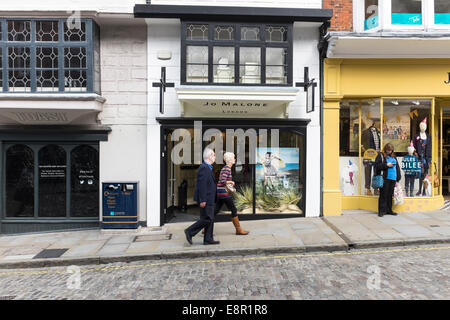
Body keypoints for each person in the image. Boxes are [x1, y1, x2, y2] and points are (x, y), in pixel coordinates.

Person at [184, 148, 220, 245]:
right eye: (214, 155)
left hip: (209, 198)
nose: (215, 157)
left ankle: (208, 238)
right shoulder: (204, 167)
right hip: (206, 198)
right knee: (208, 218)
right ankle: (190, 231)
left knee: (210, 218)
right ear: (210, 156)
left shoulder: (208, 167)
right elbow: (202, 185)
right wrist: (203, 199)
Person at [215, 152, 249, 235]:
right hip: (224, 193)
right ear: (230, 160)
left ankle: (206, 228)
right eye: (234, 158)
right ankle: (238, 230)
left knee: (215, 211)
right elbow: (223, 181)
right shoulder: (227, 169)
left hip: (220, 192)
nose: (235, 159)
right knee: (233, 209)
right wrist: (231, 182)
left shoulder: (225, 168)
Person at [375, 143, 401, 217]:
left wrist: (398, 177)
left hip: (393, 178)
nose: (389, 152)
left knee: (390, 195)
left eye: (391, 150)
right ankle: (381, 211)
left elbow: (397, 167)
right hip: (385, 178)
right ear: (385, 149)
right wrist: (386, 165)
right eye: (388, 150)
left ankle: (389, 210)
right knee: (383, 194)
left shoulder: (393, 156)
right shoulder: (381, 155)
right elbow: (377, 166)